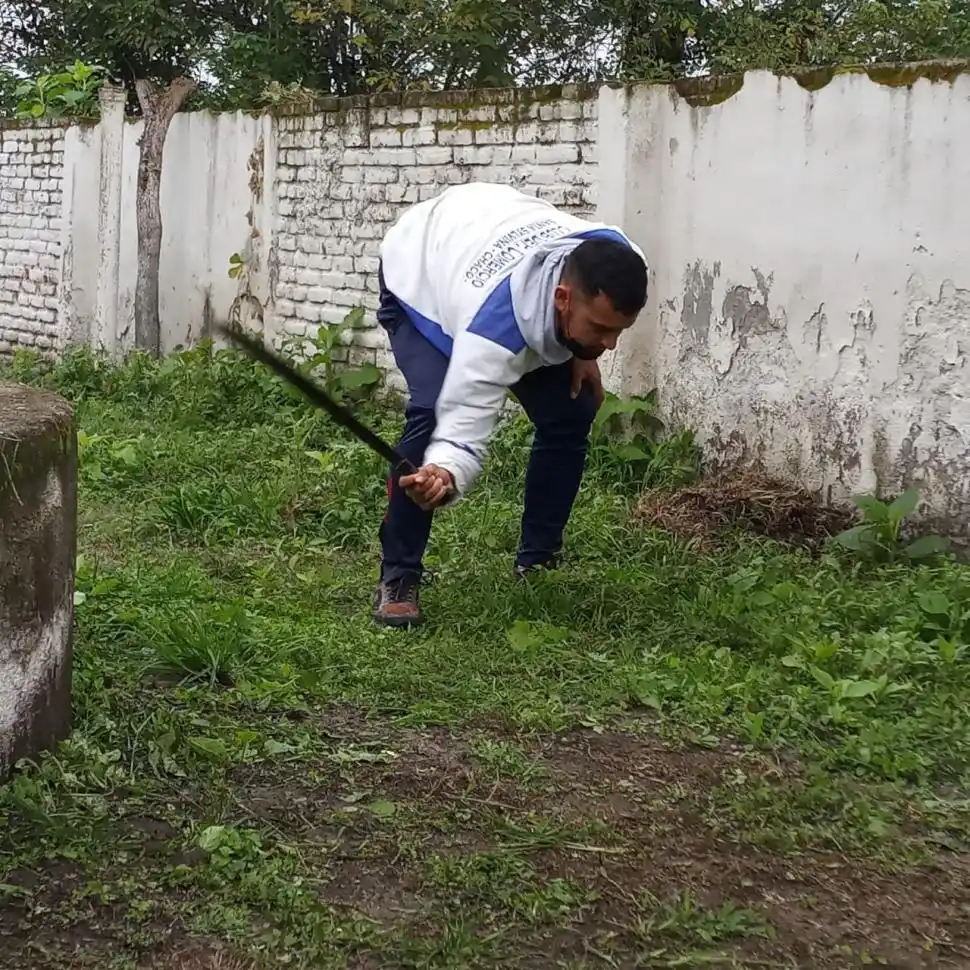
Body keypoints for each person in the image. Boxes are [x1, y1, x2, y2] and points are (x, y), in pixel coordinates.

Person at [372, 181, 648, 627]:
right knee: (430, 416)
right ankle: (399, 576)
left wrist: (583, 348)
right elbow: (462, 426)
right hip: (421, 270)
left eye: (618, 330)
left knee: (571, 410)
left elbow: (599, 305)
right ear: (563, 299)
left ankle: (536, 563)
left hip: (484, 225)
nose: (611, 345)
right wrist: (445, 471)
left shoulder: (620, 255)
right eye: (600, 329)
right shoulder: (492, 331)